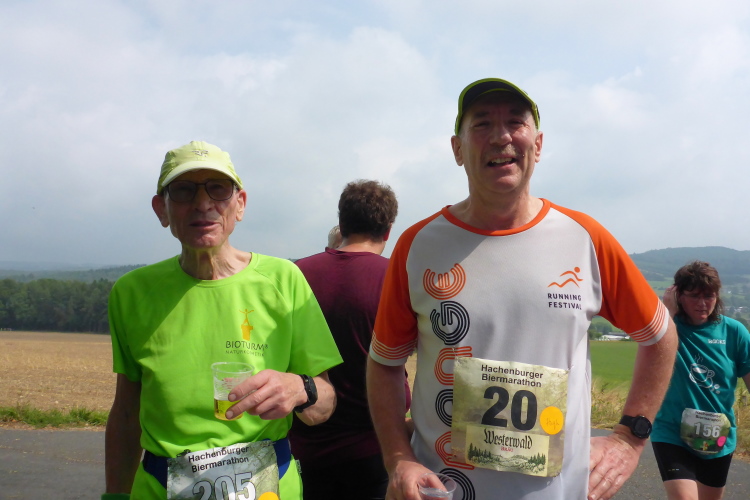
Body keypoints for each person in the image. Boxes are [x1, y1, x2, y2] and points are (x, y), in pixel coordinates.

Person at [366, 78, 679, 500]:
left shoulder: (585, 238)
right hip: (443, 490)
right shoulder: (418, 244)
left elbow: (660, 336)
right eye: (481, 124)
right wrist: (397, 459)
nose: (501, 137)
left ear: (539, 144)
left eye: (516, 122)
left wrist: (629, 437)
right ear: (457, 149)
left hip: (559, 491)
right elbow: (384, 364)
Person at [103, 140, 342, 500]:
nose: (203, 204)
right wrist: (115, 495)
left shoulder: (284, 279)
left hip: (268, 489)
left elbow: (325, 401)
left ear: (239, 204)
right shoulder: (131, 293)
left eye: (218, 189)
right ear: (161, 209)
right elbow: (126, 413)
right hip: (158, 488)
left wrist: (300, 388)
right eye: (183, 190)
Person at [288, 180, 409, 500]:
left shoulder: (297, 274)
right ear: (388, 231)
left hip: (303, 447)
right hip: (374, 448)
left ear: (341, 224)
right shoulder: (395, 277)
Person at [652, 261, 750, 500]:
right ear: (678, 295)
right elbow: (651, 355)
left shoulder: (734, 332)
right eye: (694, 295)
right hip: (671, 432)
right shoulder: (667, 327)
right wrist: (667, 314)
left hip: (718, 436)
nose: (702, 303)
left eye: (709, 296)